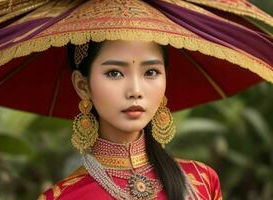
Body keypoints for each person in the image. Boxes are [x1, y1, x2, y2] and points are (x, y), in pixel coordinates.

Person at [38, 40, 223, 200]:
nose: (135, 90)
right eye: (114, 73)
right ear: (82, 85)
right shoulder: (63, 197)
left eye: (151, 72)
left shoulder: (202, 181)